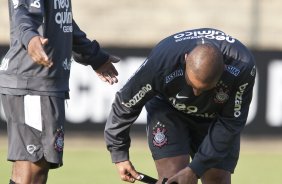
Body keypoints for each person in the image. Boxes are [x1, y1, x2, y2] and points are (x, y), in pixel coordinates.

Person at [104, 28, 256, 184]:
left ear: (223, 70)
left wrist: (194, 170)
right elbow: (126, 103)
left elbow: (230, 123)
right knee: (173, 175)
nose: (196, 93)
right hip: (168, 108)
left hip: (215, 116)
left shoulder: (242, 67)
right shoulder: (161, 62)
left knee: (216, 176)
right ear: (185, 59)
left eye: (205, 88)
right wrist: (119, 154)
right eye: (192, 84)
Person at [0, 0, 119, 184]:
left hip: (45, 84)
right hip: (32, 82)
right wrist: (30, 38)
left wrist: (95, 56)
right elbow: (22, 13)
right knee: (31, 171)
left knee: (34, 171)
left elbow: (64, 22)